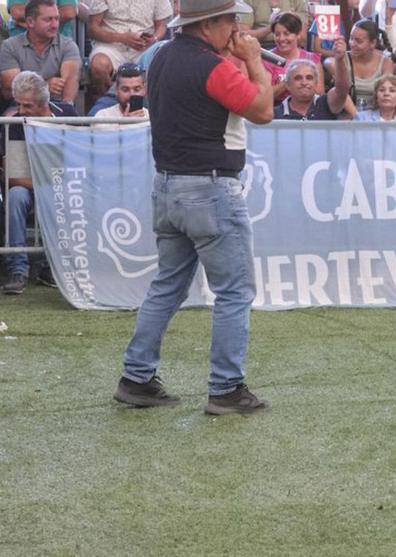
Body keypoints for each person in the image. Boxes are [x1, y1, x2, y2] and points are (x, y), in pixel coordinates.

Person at [114, 0, 274, 414]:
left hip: (167, 185)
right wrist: (254, 61)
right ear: (211, 24)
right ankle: (226, 389)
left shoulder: (161, 58)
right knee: (234, 292)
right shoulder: (213, 67)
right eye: (231, 21)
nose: (236, 29)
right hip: (211, 188)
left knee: (166, 285)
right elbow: (263, 111)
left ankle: (137, 378)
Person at [0, 71, 76, 295]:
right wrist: (48, 182)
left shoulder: (68, 114)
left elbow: (79, 160)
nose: (21, 110)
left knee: (60, 192)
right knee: (15, 195)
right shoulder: (14, 123)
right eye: (19, 104)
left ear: (44, 103)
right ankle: (17, 269)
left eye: (27, 106)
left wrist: (54, 182)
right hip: (31, 184)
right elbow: (13, 176)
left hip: (61, 183)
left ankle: (50, 266)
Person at [87, 0, 173, 97]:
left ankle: (146, 106)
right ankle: (110, 103)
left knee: (165, 64)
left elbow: (161, 25)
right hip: (111, 45)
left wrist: (154, 38)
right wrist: (122, 38)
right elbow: (92, 29)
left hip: (144, 47)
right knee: (99, 66)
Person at [0, 0, 80, 103]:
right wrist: (45, 86)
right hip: (20, 109)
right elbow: (11, 89)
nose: (55, 25)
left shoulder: (68, 46)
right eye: (48, 20)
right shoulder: (10, 47)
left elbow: (68, 89)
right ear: (30, 22)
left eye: (56, 19)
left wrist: (29, 88)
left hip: (57, 109)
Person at [274, 38, 351, 121]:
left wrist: (339, 60)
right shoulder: (276, 114)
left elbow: (342, 90)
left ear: (316, 83)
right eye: (298, 78)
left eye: (309, 78)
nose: (304, 82)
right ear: (288, 85)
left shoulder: (327, 103)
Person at [333, 19, 394, 110]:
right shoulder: (342, 59)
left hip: (376, 115)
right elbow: (341, 93)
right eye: (351, 38)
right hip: (347, 115)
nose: (352, 44)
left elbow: (386, 93)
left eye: (359, 41)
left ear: (373, 43)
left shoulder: (386, 62)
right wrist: (358, 117)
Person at [265, 12, 324, 102]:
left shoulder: (311, 59)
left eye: (286, 34)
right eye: (277, 34)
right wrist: (288, 81)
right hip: (276, 110)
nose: (281, 39)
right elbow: (264, 96)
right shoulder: (267, 58)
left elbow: (320, 93)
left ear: (298, 34)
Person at [237, 0, 309, 49]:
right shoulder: (249, 1)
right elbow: (242, 35)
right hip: (260, 47)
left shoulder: (298, 2)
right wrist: (271, 27)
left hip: (291, 46)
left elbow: (302, 37)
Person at [7, 0, 78, 40]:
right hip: (21, 41)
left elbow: (68, 12)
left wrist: (35, 25)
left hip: (59, 42)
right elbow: (17, 12)